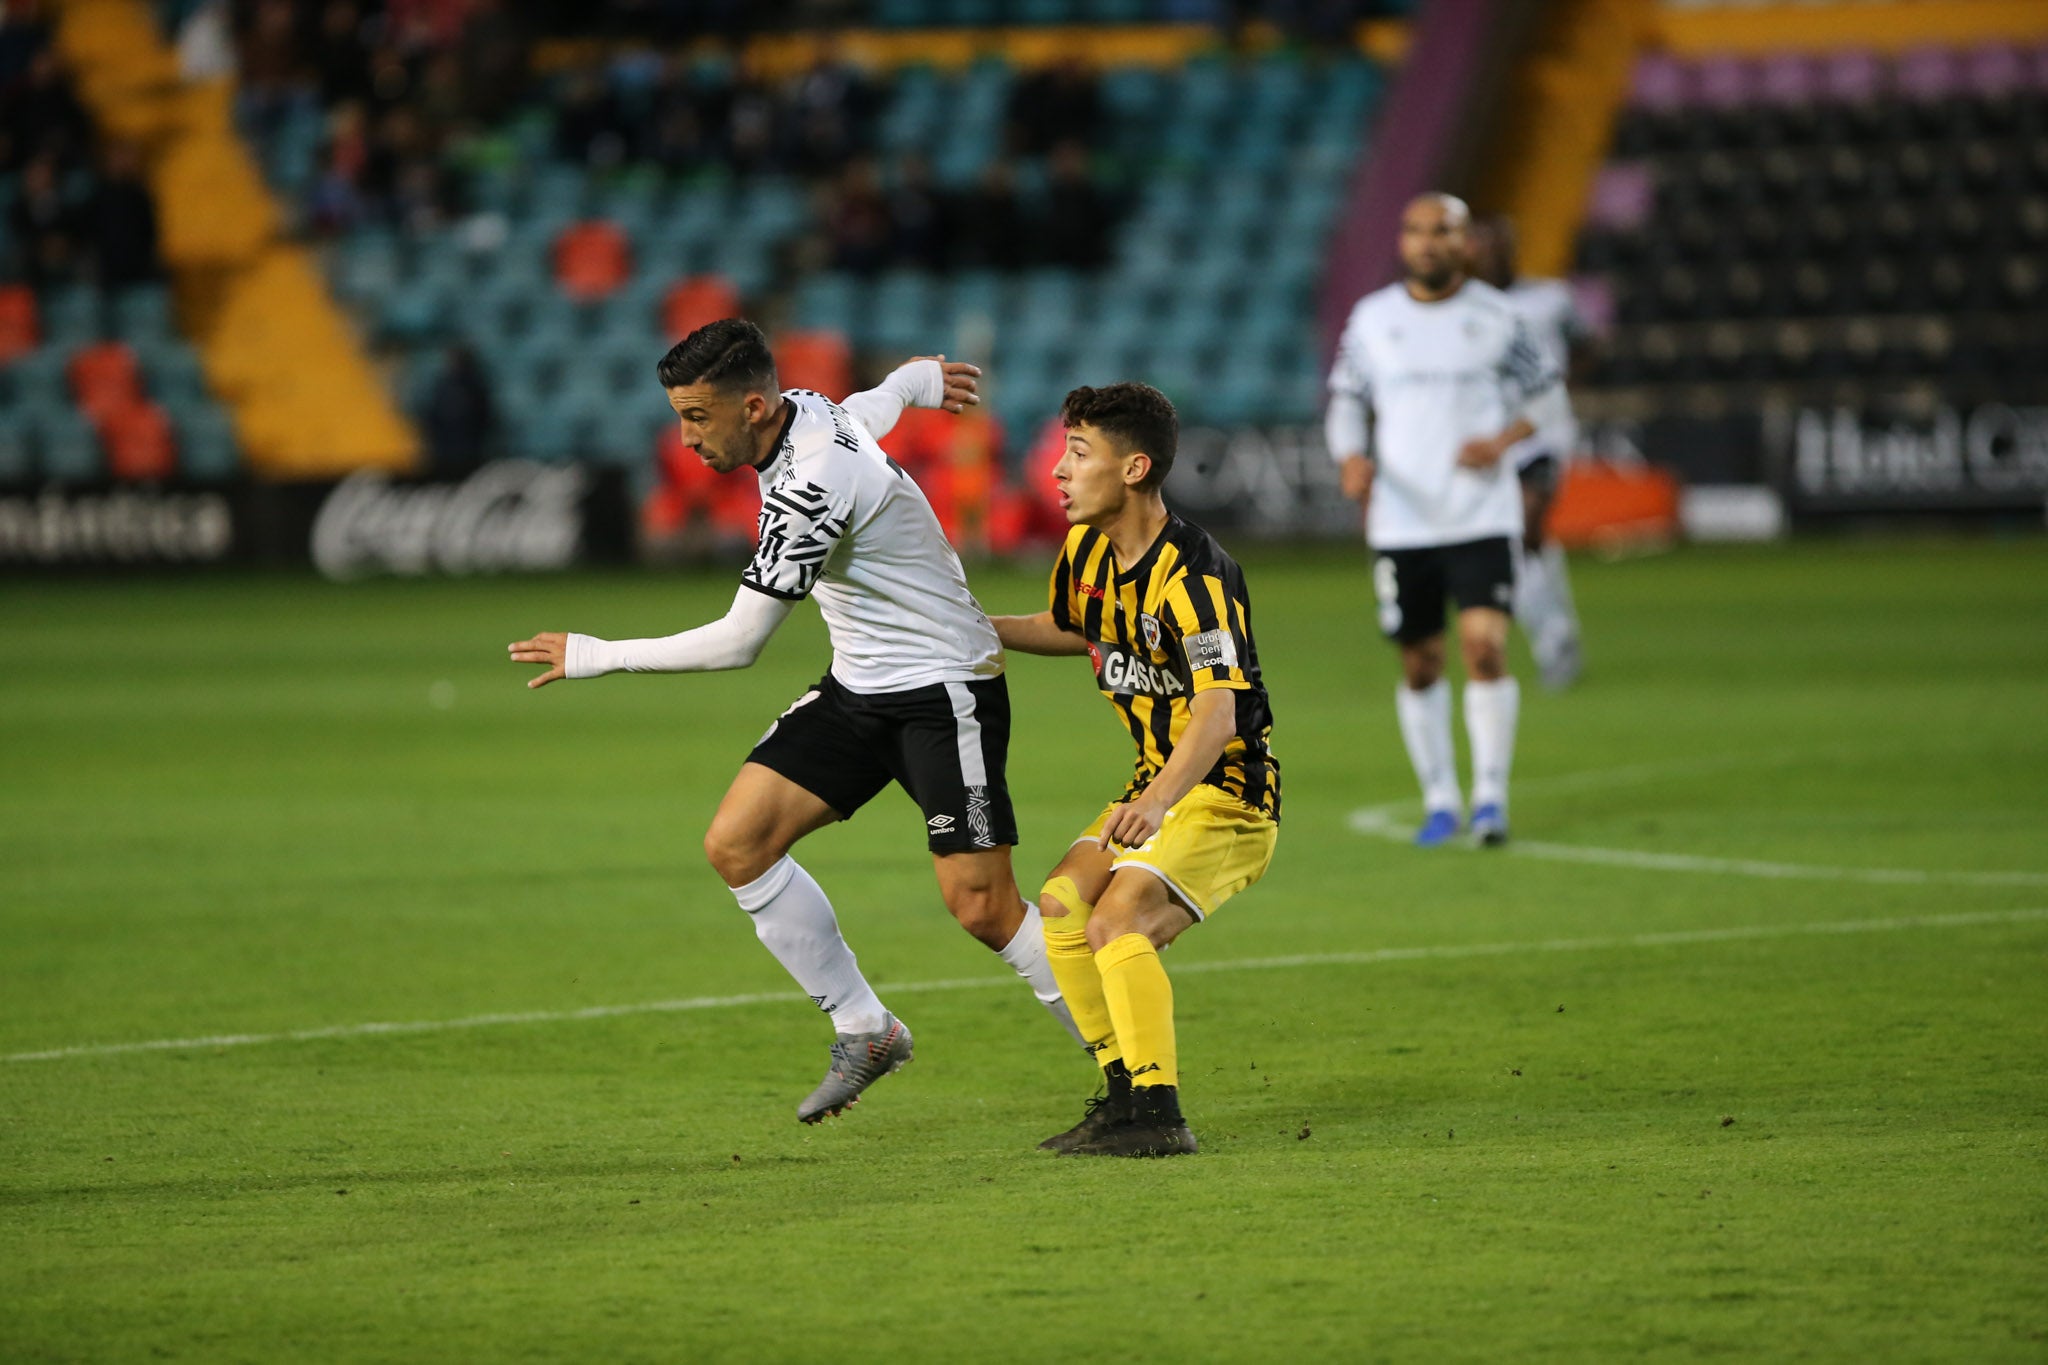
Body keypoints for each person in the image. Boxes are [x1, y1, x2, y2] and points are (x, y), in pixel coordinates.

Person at [509, 319, 1078, 1124]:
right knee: (737, 843)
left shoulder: (813, 485)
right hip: (861, 687)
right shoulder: (807, 411)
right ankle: (865, 1028)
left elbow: (739, 641)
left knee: (984, 907)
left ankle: (1134, 1069)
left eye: (698, 417)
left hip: (944, 690)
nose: (687, 438)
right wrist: (920, 379)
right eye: (679, 416)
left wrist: (596, 653)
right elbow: (870, 406)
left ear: (752, 406)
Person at [990, 382, 1279, 1158]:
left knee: (1118, 920)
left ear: (1134, 467)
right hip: (1158, 782)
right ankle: (1122, 1097)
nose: (1057, 470)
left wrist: (1155, 801)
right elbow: (1069, 625)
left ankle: (1160, 1114)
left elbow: (1219, 712)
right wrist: (978, 631)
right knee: (1059, 908)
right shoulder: (1085, 549)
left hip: (1226, 794)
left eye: (1079, 454)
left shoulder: (1197, 576)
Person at [1324, 193, 1563, 847]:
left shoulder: (1498, 317)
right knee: (1422, 663)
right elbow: (1346, 398)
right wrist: (1350, 457)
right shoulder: (1374, 319)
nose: (1428, 242)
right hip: (1404, 521)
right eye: (1417, 231)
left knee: (1485, 648)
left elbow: (1548, 396)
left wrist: (1502, 439)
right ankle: (1439, 799)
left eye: (1443, 231)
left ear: (1466, 243)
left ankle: (1490, 798)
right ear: (1404, 242)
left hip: (1482, 513)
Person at [1466, 214, 1591, 689]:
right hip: (1489, 439)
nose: (1491, 253)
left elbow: (1586, 344)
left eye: (1499, 244)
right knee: (1519, 546)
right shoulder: (1464, 310)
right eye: (1483, 246)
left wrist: (1563, 388)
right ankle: (1557, 635)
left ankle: (1556, 643)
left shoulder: (1551, 298)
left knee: (1525, 525)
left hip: (1542, 433)